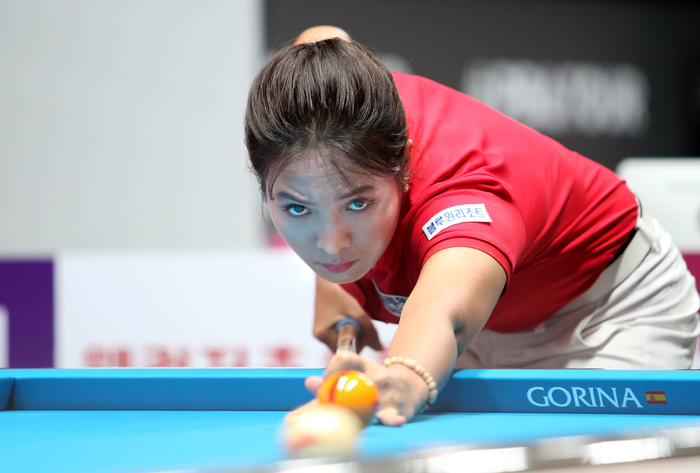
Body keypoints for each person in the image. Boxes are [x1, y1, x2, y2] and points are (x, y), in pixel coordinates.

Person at [244, 26, 700, 426]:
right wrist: (336, 282)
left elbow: (444, 313)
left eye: (358, 203)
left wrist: (403, 378)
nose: (331, 243)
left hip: (608, 311)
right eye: (298, 209)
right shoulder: (338, 102)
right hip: (491, 324)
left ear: (403, 161)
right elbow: (322, 38)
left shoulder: (466, 200)